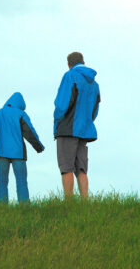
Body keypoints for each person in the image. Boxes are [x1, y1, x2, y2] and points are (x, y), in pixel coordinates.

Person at [0, 92, 44, 203]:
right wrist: (38, 147)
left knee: (2, 182)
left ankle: (1, 207)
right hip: (18, 154)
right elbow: (30, 132)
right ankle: (24, 206)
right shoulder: (21, 114)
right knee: (21, 181)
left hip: (1, 153)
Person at [54, 52, 100, 199]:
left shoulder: (69, 76)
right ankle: (84, 202)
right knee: (81, 168)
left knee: (66, 168)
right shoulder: (94, 83)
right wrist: (87, 122)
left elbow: (62, 104)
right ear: (83, 62)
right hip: (85, 130)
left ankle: (69, 203)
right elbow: (94, 109)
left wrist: (57, 120)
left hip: (68, 128)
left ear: (69, 64)